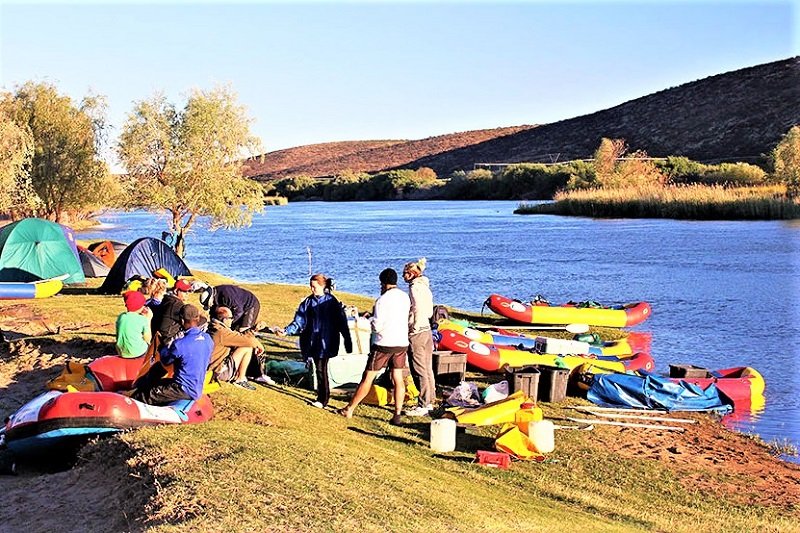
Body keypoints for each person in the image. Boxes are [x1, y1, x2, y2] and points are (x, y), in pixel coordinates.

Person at [339, 268, 410, 425]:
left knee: (368, 378)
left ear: (383, 284)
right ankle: (397, 415)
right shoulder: (405, 297)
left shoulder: (382, 300)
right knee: (398, 379)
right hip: (401, 343)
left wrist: (369, 319)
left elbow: (377, 327)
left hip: (384, 344)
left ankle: (350, 409)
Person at [277, 273, 353, 408]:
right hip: (313, 342)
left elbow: (341, 322)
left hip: (327, 341)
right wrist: (286, 331)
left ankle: (323, 399)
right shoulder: (307, 303)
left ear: (322, 287)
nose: (311, 289)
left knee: (320, 369)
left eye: (314, 287)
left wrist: (347, 340)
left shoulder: (331, 302)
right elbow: (299, 321)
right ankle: (322, 396)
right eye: (310, 287)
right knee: (320, 369)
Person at [132, 304, 213, 406]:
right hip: (196, 386)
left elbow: (165, 360)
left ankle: (130, 404)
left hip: (181, 388)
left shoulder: (180, 344)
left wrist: (166, 346)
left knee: (148, 395)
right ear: (197, 318)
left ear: (182, 321)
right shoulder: (208, 339)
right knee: (155, 383)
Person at [402, 258, 436, 417]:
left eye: (405, 274)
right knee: (428, 367)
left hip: (417, 331)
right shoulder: (425, 287)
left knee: (418, 368)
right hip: (427, 329)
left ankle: (423, 404)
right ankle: (430, 400)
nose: (403, 277)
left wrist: (413, 326)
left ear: (412, 274)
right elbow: (428, 310)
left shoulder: (415, 288)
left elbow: (417, 308)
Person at [207, 306, 268, 390]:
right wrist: (259, 345)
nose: (232, 320)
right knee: (247, 347)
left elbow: (239, 337)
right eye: (231, 318)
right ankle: (240, 379)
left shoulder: (214, 327)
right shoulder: (222, 333)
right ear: (224, 320)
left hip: (212, 367)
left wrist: (254, 329)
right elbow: (248, 341)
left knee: (244, 344)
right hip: (218, 371)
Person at [150, 279, 194, 347]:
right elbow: (192, 320)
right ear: (176, 291)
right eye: (185, 291)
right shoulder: (176, 305)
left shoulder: (168, 299)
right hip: (167, 341)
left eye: (189, 291)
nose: (187, 294)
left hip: (160, 336)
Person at [115, 290, 153, 358]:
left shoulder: (121, 317)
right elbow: (148, 339)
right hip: (138, 353)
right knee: (151, 350)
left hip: (121, 352)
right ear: (140, 306)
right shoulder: (142, 320)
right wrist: (148, 319)